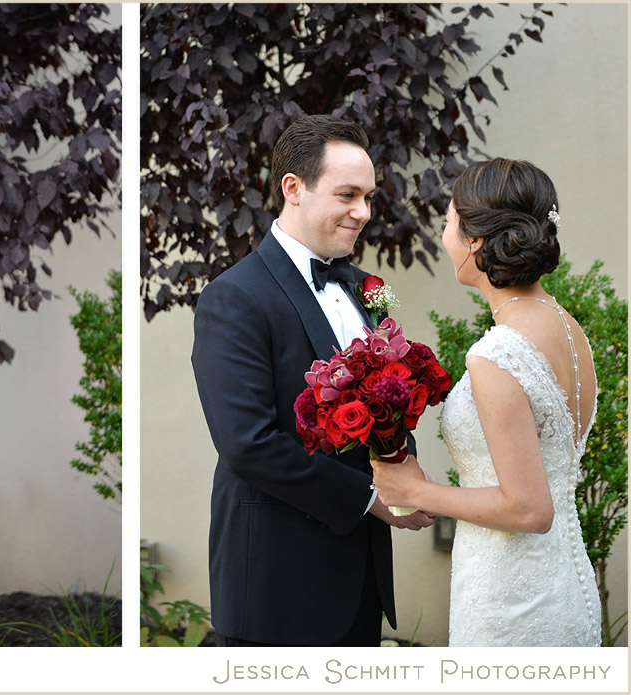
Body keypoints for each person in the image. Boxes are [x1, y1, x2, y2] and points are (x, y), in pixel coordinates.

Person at [191, 115, 435, 647]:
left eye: (370, 198)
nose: (363, 213)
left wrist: (401, 464)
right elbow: (248, 444)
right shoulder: (233, 298)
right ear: (293, 188)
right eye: (348, 194)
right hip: (278, 585)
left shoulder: (362, 287)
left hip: (359, 578)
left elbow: (384, 402)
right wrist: (373, 496)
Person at [371, 158, 601, 646]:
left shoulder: (497, 353)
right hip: (565, 580)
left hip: (511, 598)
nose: (445, 235)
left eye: (449, 221)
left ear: (475, 240)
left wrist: (414, 490)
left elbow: (528, 510)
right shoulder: (568, 327)